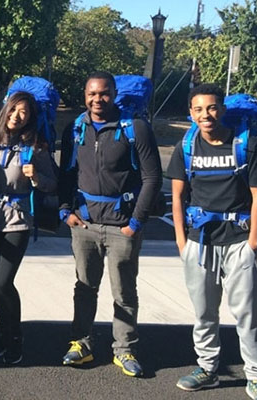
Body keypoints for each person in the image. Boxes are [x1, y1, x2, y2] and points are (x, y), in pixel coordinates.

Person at [167, 84, 257, 399]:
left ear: (222, 109)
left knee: (247, 315)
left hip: (238, 242)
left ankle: (255, 376)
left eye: (211, 108)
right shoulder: (187, 146)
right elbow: (176, 195)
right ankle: (208, 368)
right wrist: (181, 241)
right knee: (203, 312)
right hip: (200, 244)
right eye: (198, 109)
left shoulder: (246, 145)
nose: (205, 115)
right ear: (191, 113)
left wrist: (253, 240)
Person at [57, 71, 162, 377]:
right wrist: (66, 211)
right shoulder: (75, 129)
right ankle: (81, 343)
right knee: (84, 288)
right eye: (91, 94)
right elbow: (66, 174)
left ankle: (124, 349)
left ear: (114, 94)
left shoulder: (136, 129)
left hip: (122, 227)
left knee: (124, 292)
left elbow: (152, 178)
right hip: (85, 225)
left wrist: (136, 222)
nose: (97, 100)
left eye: (103, 93)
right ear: (84, 95)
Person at [0, 91, 58, 365]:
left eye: (22, 112)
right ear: (5, 110)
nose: (15, 116)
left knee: (4, 281)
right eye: (13, 110)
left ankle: (15, 337)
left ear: (30, 117)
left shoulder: (36, 147)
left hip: (17, 220)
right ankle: (4, 334)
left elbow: (52, 183)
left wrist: (36, 177)